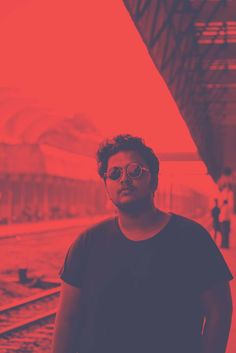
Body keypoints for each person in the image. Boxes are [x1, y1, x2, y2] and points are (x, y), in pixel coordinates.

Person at [52, 134, 233, 353]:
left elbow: (219, 309)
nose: (124, 179)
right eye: (115, 173)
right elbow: (67, 321)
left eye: (135, 170)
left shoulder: (193, 239)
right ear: (106, 185)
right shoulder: (86, 244)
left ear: (154, 180)